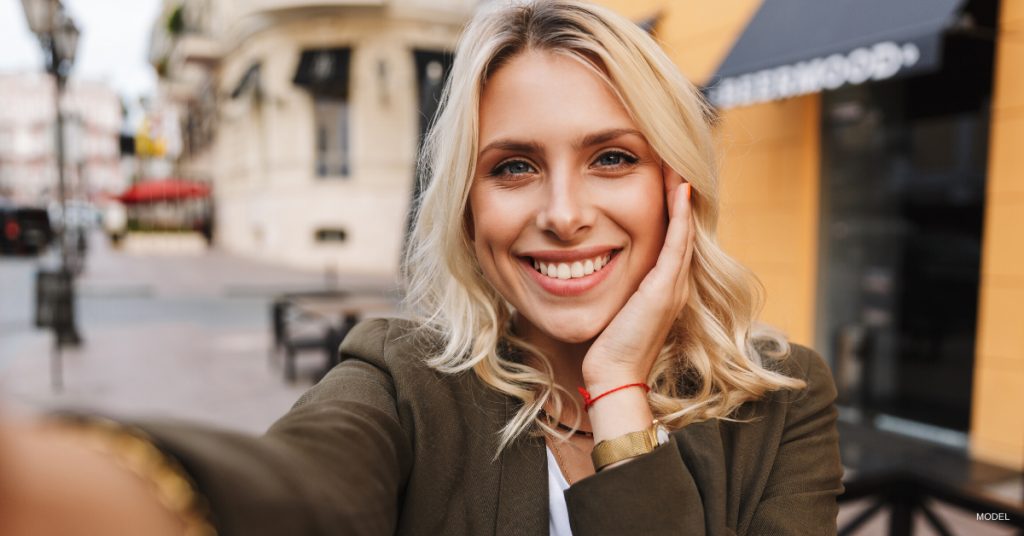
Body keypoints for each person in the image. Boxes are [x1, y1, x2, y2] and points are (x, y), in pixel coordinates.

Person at [0, 1, 844, 534]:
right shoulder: (404, 381)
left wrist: (617, 389)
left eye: (611, 158)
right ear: (469, 206)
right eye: (512, 166)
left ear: (675, 183)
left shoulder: (785, 401)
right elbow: (299, 486)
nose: (561, 211)